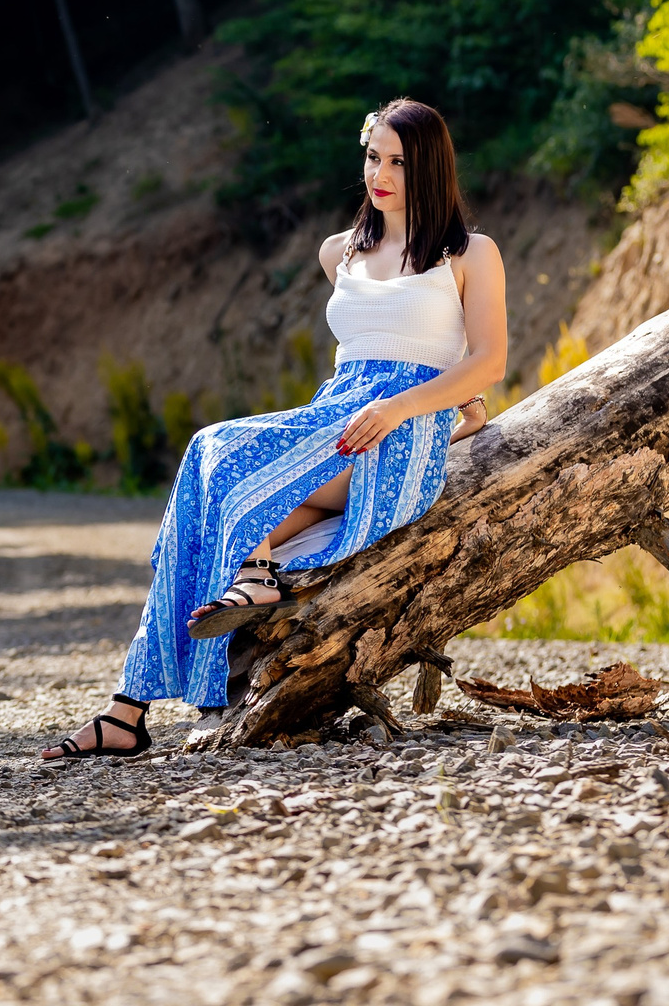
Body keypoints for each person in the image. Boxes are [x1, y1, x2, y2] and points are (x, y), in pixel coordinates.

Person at [44, 99, 508, 759]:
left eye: (399, 163)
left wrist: (408, 410)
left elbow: (488, 361)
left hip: (396, 439)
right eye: (372, 157)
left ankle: (252, 577)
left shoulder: (469, 253)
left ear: (430, 167)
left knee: (225, 462)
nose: (380, 174)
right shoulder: (340, 252)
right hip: (336, 423)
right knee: (209, 485)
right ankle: (127, 707)